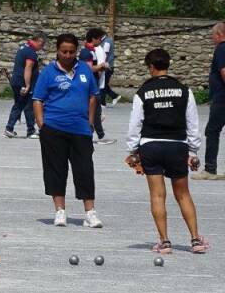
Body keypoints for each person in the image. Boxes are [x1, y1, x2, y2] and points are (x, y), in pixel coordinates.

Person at [125, 48, 208, 255]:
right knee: (183, 194)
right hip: (177, 146)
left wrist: (133, 150)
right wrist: (193, 150)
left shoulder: (143, 92)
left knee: (157, 195)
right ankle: (196, 240)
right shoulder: (184, 90)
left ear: (151, 67)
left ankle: (164, 242)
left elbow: (135, 124)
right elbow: (193, 123)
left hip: (151, 145)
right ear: (168, 65)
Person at [32, 33, 103, 228]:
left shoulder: (85, 70)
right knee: (56, 169)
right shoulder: (48, 72)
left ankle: (90, 212)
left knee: (85, 170)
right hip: (54, 128)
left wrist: (89, 122)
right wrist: (42, 124)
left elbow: (93, 96)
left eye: (72, 52)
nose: (68, 55)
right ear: (57, 50)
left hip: (81, 129)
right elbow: (37, 99)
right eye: (64, 51)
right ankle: (60, 211)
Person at [193, 21, 225, 181]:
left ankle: (210, 169)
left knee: (212, 131)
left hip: (222, 99)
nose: (212, 39)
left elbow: (224, 71)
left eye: (213, 35)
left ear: (219, 35)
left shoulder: (221, 48)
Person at [5, 31, 45, 139]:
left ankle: (9, 128)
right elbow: (28, 68)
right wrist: (27, 85)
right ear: (38, 41)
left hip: (16, 81)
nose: (41, 48)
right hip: (23, 83)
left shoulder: (24, 47)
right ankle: (30, 131)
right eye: (42, 45)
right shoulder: (31, 53)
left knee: (19, 104)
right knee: (29, 106)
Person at [79, 28, 115, 145]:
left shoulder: (92, 51)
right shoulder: (86, 52)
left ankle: (96, 134)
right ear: (93, 38)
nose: (101, 41)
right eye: (99, 38)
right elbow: (88, 69)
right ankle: (99, 136)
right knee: (94, 111)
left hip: (94, 84)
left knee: (95, 111)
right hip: (89, 86)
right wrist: (101, 66)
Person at [101, 30, 120, 106]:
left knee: (102, 85)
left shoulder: (106, 42)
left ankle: (102, 103)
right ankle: (115, 96)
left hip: (107, 67)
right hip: (109, 66)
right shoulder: (107, 40)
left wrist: (101, 65)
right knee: (104, 84)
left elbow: (105, 55)